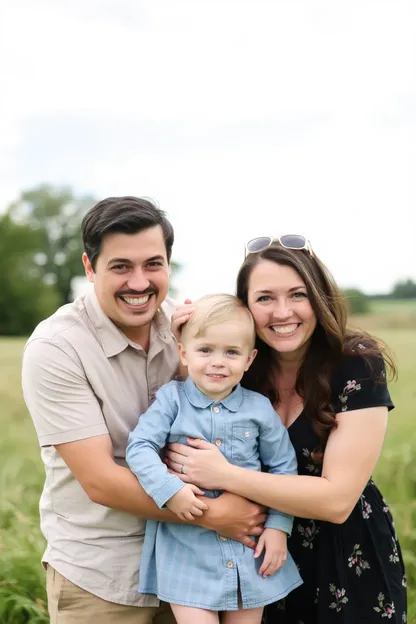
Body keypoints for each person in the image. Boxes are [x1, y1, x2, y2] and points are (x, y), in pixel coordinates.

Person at [21, 196, 267, 624]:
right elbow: (100, 481)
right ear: (89, 266)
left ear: (169, 265)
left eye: (153, 264)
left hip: (195, 568)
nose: (139, 283)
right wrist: (217, 516)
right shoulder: (56, 349)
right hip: (102, 576)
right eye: (120, 266)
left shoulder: (190, 330)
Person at [166, 235, 407, 623]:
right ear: (245, 306)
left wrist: (226, 474)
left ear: (318, 297)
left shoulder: (355, 364)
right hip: (257, 561)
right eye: (264, 298)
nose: (282, 312)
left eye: (297, 295)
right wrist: (190, 342)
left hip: (346, 558)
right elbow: (182, 438)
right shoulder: (238, 368)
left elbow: (336, 500)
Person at [126, 294, 302, 624]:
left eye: (231, 352)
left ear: (249, 359)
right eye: (205, 350)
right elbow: (139, 448)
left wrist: (279, 528)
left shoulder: (259, 408)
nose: (218, 362)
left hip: (249, 549)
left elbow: (283, 467)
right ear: (184, 352)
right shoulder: (171, 401)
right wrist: (169, 490)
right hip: (186, 551)